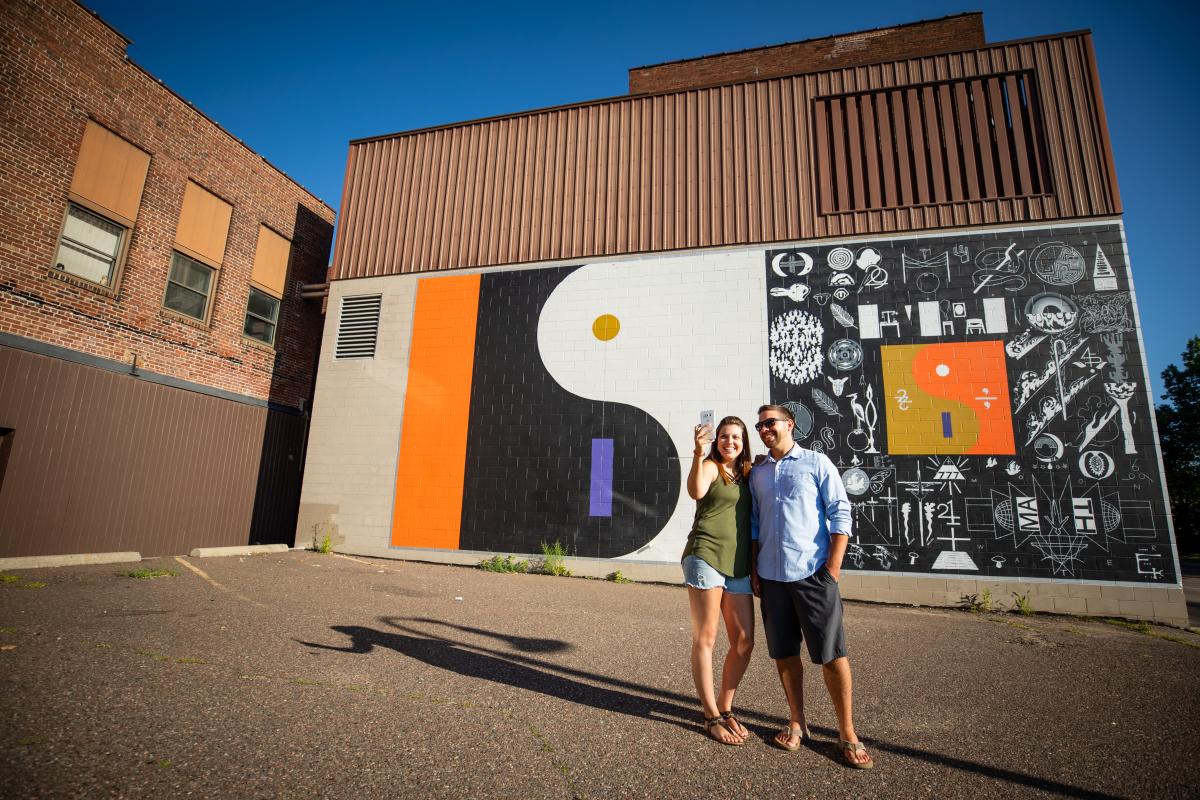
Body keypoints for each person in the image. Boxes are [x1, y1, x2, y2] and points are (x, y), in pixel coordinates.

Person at [749, 404, 874, 769]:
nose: (764, 429)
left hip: (813, 575)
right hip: (772, 577)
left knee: (832, 654)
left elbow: (840, 511)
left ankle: (847, 732)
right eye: (759, 425)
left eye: (770, 422)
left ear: (790, 424)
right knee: (785, 654)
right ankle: (797, 721)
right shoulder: (758, 473)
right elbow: (756, 523)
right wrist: (756, 568)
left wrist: (832, 568)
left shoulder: (817, 463)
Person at [682, 416, 756, 745]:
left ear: (744, 442)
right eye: (724, 436)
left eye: (736, 437)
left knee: (744, 641)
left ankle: (726, 708)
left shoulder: (750, 472)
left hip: (738, 564)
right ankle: (711, 715)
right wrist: (698, 452)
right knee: (707, 637)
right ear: (717, 440)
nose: (729, 441)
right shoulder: (711, 465)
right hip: (705, 556)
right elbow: (696, 490)